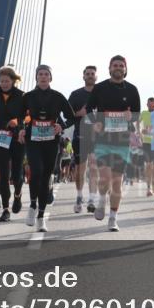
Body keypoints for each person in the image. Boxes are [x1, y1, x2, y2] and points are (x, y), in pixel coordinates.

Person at [87, 55, 141, 232]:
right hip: (103, 140)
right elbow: (89, 109)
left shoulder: (132, 90)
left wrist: (130, 117)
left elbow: (136, 115)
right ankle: (102, 200)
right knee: (104, 178)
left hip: (122, 141)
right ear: (109, 68)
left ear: (125, 69)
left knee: (117, 181)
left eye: (121, 65)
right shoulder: (100, 88)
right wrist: (95, 121)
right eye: (115, 65)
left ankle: (113, 218)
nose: (118, 68)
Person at [19, 65, 76, 232]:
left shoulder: (58, 96)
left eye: (46, 74)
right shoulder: (28, 96)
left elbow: (71, 116)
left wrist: (62, 126)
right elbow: (19, 115)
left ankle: (41, 217)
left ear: (50, 78)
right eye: (40, 74)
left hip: (51, 142)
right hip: (33, 140)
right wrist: (21, 128)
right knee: (35, 172)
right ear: (36, 77)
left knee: (45, 177)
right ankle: (32, 205)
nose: (43, 77)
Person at [0, 66, 26, 222]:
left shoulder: (22, 96)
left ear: (13, 81)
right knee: (4, 173)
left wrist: (16, 121)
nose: (3, 84)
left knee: (16, 174)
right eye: (1, 81)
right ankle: (5, 209)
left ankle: (18, 194)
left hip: (18, 136)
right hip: (1, 135)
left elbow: (28, 116)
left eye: (6, 81)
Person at [68, 65, 99, 214]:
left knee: (94, 166)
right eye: (88, 74)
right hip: (80, 136)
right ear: (83, 76)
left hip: (97, 137)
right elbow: (68, 115)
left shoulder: (102, 94)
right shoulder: (76, 95)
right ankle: (80, 196)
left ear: (96, 76)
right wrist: (78, 113)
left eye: (92, 73)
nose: (90, 75)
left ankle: (92, 199)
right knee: (81, 169)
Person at [140, 97, 154, 196]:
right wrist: (139, 133)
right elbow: (137, 122)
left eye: (153, 105)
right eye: (150, 105)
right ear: (147, 105)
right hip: (146, 142)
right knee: (148, 166)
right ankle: (148, 188)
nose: (152, 107)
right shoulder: (144, 113)